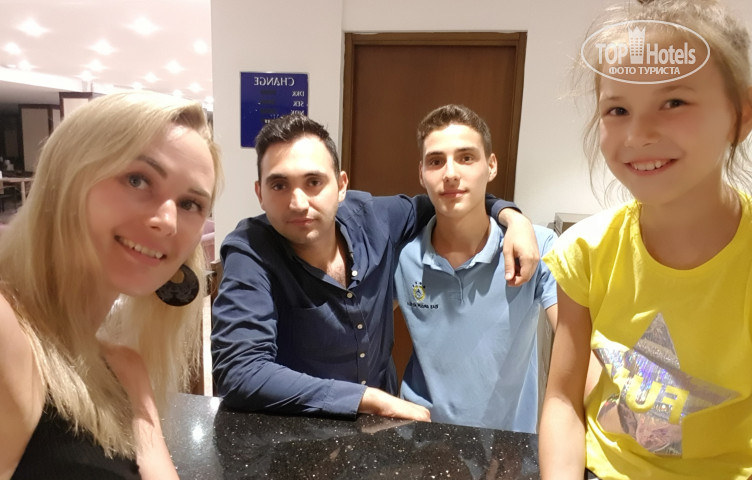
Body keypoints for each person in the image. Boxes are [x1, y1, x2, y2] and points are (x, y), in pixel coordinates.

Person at [536, 1, 752, 480]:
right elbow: (563, 400)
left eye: (674, 101)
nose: (638, 135)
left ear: (741, 115)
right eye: (618, 110)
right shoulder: (585, 252)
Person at [211, 113, 540, 421]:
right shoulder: (250, 249)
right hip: (296, 430)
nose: (298, 203)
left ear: (341, 185)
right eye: (279, 185)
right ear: (260, 193)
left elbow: (451, 198)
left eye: (313, 182)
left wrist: (513, 217)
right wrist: (367, 399)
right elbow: (239, 372)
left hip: (381, 435)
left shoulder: (374, 219)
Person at [0, 91, 222, 480]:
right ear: (66, 176)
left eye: (190, 203)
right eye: (138, 179)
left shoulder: (125, 369)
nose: (167, 221)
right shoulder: (10, 334)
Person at [395, 104, 558, 433]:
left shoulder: (536, 246)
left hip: (507, 444)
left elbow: (578, 341)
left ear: (491, 165)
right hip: (421, 440)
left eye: (466, 157)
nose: (450, 173)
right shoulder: (403, 256)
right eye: (436, 161)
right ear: (422, 174)